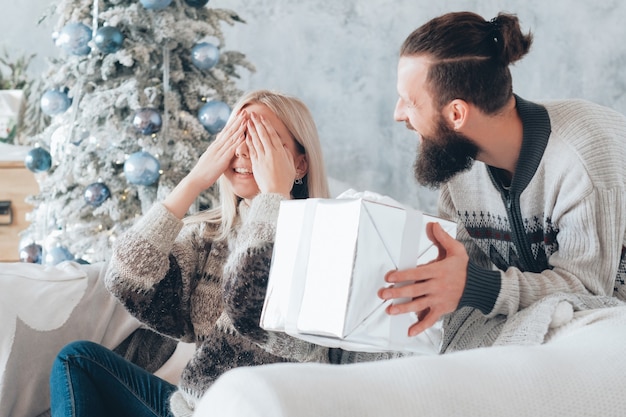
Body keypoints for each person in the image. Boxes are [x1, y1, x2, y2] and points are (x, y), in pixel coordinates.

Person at [189, 11, 626, 417]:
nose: (398, 114)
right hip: (518, 322)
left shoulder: (585, 159)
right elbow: (465, 269)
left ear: (456, 113)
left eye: (408, 101)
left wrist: (475, 284)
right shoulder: (459, 168)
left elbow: (590, 291)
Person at [48, 89, 333, 417]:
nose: (241, 149)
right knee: (77, 360)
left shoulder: (324, 237)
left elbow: (252, 306)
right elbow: (125, 281)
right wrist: (194, 181)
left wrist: (275, 199)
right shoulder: (209, 235)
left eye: (261, 140)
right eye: (235, 135)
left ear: (299, 163)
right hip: (195, 408)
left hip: (268, 408)